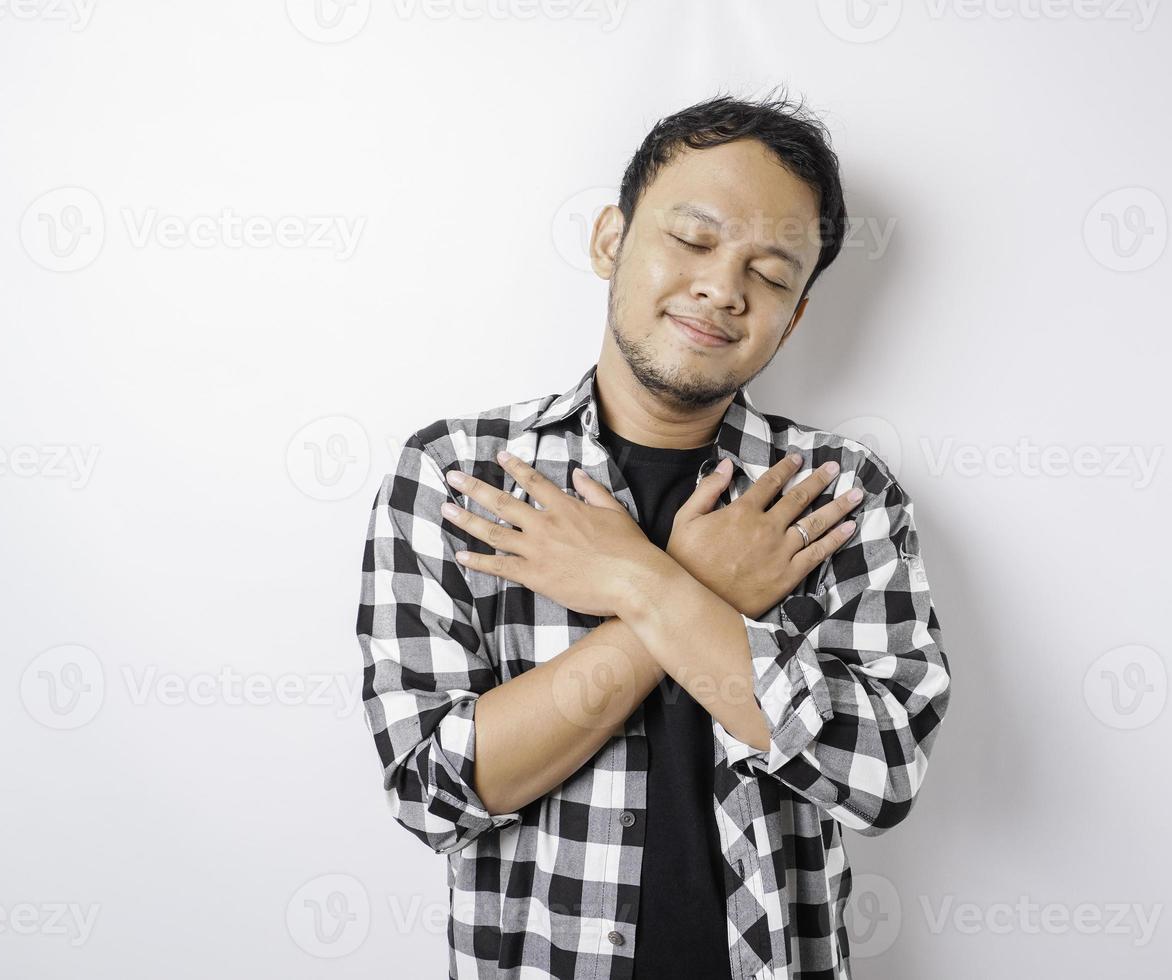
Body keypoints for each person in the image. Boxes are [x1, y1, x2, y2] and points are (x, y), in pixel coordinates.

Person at [355, 89, 952, 980]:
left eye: (773, 273)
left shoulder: (836, 494)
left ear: (793, 317)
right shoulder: (459, 476)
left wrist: (645, 582)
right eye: (694, 239)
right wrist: (686, 590)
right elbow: (436, 791)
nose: (723, 287)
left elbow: (880, 774)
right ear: (610, 239)